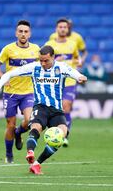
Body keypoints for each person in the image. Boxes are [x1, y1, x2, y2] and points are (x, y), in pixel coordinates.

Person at [0, 45, 87, 175]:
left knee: (62, 134)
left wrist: (81, 77)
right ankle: (30, 152)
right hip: (40, 107)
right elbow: (10, 73)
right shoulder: (34, 67)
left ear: (53, 57)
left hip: (56, 109)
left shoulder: (61, 67)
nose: (43, 63)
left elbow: (76, 74)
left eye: (46, 61)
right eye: (41, 60)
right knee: (36, 127)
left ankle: (37, 164)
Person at [0, 20, 40, 163]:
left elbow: (43, 66)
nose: (23, 34)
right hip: (10, 93)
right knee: (10, 125)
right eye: (20, 31)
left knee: (29, 120)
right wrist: (3, 78)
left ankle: (19, 133)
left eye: (26, 31)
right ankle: (9, 155)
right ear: (16, 33)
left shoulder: (36, 49)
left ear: (30, 34)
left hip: (29, 92)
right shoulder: (8, 49)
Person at [45, 18, 81, 147]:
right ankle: (54, 132)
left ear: (68, 29)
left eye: (65, 27)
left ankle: (64, 136)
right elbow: (43, 61)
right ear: (56, 29)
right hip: (54, 81)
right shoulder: (49, 44)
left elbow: (77, 57)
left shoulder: (73, 44)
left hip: (69, 81)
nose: (62, 29)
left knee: (66, 106)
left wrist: (79, 62)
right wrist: (55, 61)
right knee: (54, 109)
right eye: (60, 27)